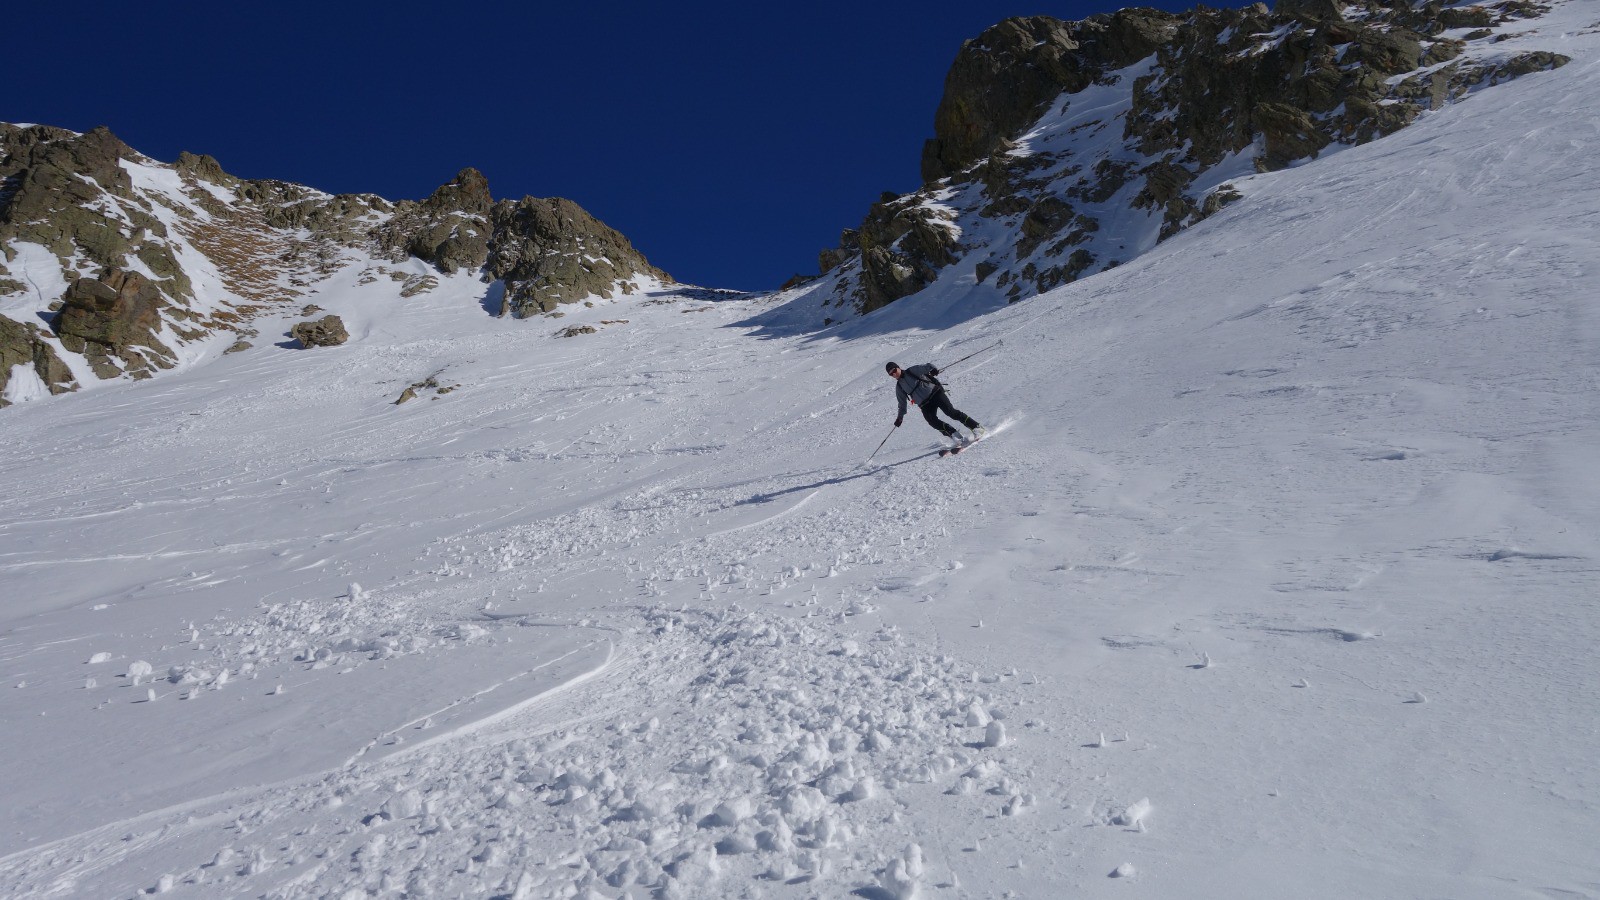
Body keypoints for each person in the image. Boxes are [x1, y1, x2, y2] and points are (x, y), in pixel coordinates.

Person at [887, 361, 987, 446]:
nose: (894, 374)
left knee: (950, 412)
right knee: (932, 421)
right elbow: (902, 404)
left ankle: (977, 428)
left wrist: (933, 370)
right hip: (924, 404)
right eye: (891, 374)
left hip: (935, 393)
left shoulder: (912, 371)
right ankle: (955, 435)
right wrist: (900, 418)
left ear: (898, 368)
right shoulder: (899, 387)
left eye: (894, 371)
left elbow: (928, 366)